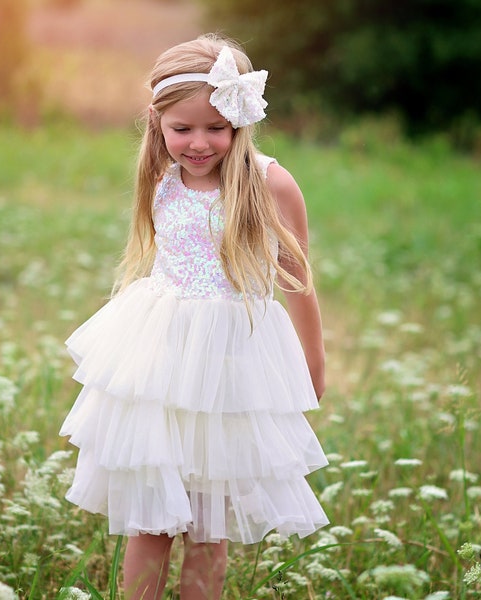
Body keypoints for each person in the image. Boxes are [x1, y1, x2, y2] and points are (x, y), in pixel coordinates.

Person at [60, 33, 329, 600]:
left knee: (209, 526)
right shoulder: (160, 180)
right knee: (152, 519)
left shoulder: (268, 182)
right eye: (183, 128)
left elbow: (297, 279)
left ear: (239, 122)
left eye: (216, 128)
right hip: (159, 359)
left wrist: (313, 362)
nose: (199, 143)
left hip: (230, 366)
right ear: (157, 122)